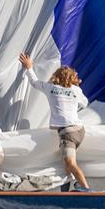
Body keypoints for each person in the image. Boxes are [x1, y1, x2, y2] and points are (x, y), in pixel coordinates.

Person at [18, 52, 90, 192]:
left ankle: (86, 188)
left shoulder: (51, 88)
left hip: (68, 133)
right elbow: (85, 103)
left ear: (56, 76)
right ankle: (68, 189)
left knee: (70, 162)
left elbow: (34, 82)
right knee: (65, 163)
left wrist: (29, 67)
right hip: (79, 130)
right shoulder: (75, 90)